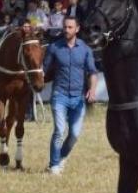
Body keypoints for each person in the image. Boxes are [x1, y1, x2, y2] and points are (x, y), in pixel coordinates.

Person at [42, 16, 98, 175]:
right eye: (65, 27)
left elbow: (93, 72)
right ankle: (54, 166)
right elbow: (43, 70)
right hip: (59, 96)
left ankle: (61, 157)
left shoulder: (85, 49)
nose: (66, 30)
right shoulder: (54, 48)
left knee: (74, 134)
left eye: (70, 27)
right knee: (59, 131)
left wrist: (92, 89)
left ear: (77, 29)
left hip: (78, 98)